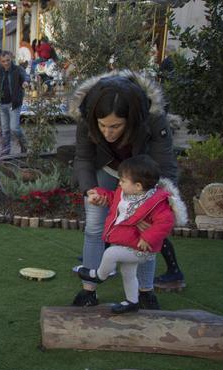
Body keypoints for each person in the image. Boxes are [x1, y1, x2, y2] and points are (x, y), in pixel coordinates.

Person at [70, 69, 183, 309]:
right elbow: (83, 158)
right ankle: (88, 291)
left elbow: (164, 166)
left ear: (131, 119)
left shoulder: (152, 119)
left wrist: (155, 206)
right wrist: (90, 189)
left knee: (146, 232)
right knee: (93, 227)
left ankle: (145, 292)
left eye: (116, 126)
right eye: (102, 126)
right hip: (107, 170)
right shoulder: (86, 115)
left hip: (143, 176)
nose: (107, 133)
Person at [75, 155, 185, 314]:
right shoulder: (125, 193)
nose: (119, 183)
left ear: (138, 186)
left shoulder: (156, 201)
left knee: (111, 253)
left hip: (142, 248)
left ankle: (98, 275)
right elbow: (113, 199)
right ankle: (132, 301)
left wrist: (148, 237)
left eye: (123, 180)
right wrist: (100, 194)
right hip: (128, 245)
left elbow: (165, 222)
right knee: (128, 273)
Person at [0, 51, 30, 154]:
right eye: (3, 61)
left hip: (14, 103)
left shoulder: (17, 69)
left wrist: (25, 82)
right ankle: (6, 152)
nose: (6, 63)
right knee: (5, 130)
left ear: (11, 59)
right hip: (1, 104)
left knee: (14, 128)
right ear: (0, 62)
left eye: (8, 60)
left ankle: (24, 145)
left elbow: (26, 76)